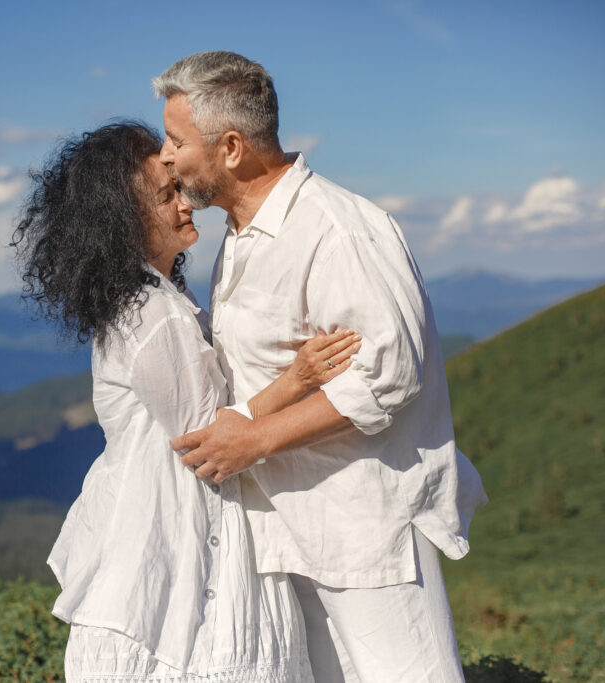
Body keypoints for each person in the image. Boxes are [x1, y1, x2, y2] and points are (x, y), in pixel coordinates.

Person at [152, 52, 489, 682]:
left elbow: (389, 375)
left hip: (363, 519)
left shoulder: (339, 230)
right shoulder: (244, 234)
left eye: (175, 141)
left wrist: (255, 439)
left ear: (230, 147)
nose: (166, 156)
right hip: (284, 524)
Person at [12, 122, 361, 681]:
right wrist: (298, 378)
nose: (186, 203)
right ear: (122, 223)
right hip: (173, 530)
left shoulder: (154, 297)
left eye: (179, 187)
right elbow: (206, 439)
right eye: (166, 195)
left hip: (169, 521)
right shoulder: (153, 313)